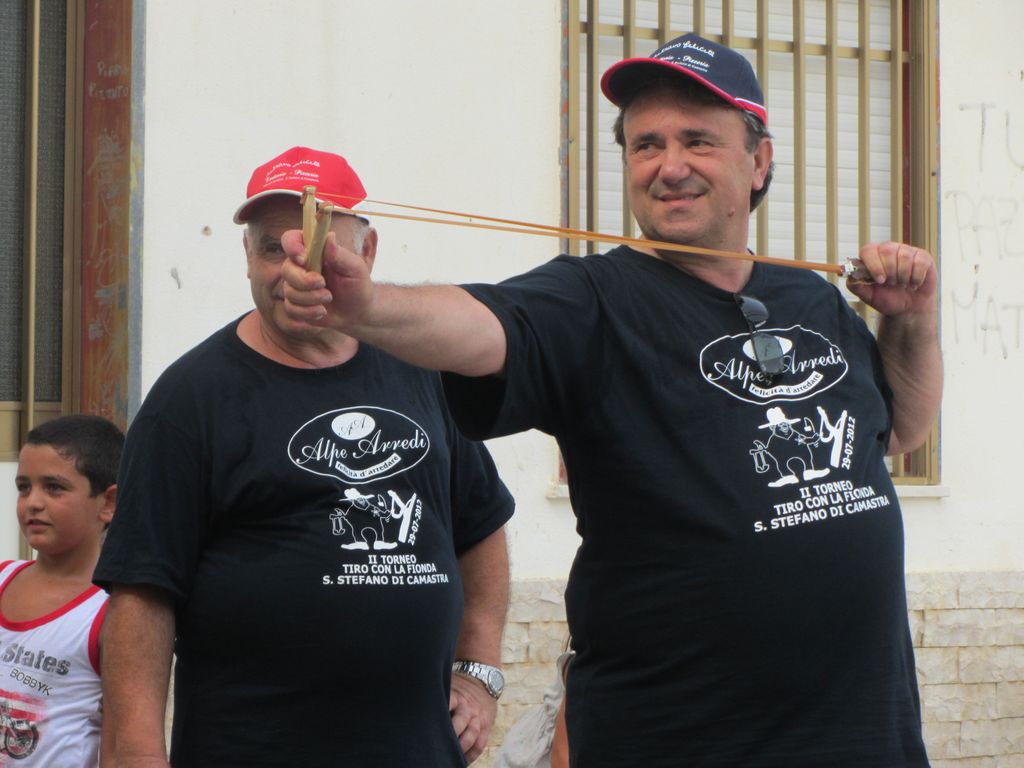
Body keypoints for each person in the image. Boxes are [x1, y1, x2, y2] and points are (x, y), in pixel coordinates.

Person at [280, 32, 942, 768]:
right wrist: (367, 307)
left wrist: (912, 318)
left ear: (759, 161)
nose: (670, 166)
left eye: (697, 140)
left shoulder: (810, 299)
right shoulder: (590, 300)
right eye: (646, 145)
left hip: (865, 739)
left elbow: (900, 430)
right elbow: (481, 324)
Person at [93, 146, 515, 767]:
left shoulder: (423, 369)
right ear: (246, 257)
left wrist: (478, 673)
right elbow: (142, 593)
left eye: (319, 247)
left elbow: (480, 524)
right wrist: (135, 755)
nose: (294, 269)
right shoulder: (190, 399)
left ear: (368, 253)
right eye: (273, 248)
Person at [5, 414, 123, 766]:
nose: (33, 502)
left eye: (54, 487)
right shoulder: (3, 578)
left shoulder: (112, 612)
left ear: (108, 503)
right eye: (24, 487)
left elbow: (120, 746)